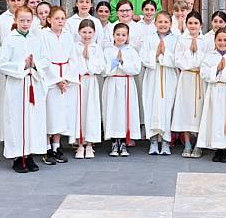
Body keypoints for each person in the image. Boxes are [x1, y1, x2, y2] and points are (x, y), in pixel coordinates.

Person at [0, 6, 50, 173]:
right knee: (17, 120)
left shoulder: (37, 38)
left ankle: (30, 154)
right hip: (17, 85)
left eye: (28, 20)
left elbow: (46, 60)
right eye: (22, 20)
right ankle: (18, 156)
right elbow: (2, 64)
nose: (25, 24)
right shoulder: (9, 39)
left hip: (33, 82)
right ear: (15, 20)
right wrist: (22, 65)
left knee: (33, 120)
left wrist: (35, 64)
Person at [40, 6, 81, 165]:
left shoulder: (68, 36)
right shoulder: (43, 35)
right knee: (50, 113)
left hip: (65, 77)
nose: (60, 22)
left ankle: (57, 146)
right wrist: (56, 79)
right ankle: (47, 147)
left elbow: (73, 58)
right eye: (56, 18)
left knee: (60, 114)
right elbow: (43, 59)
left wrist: (66, 78)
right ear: (49, 20)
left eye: (63, 19)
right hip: (50, 79)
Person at [197, 28, 226, 163]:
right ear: (215, 41)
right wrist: (216, 69)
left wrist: (224, 71)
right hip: (215, 92)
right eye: (219, 40)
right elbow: (204, 73)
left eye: (225, 40)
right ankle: (217, 148)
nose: (222, 43)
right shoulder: (210, 56)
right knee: (215, 119)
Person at [140, 12, 179, 155]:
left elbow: (178, 59)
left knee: (167, 107)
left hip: (169, 77)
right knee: (152, 106)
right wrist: (155, 54)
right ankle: (153, 141)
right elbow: (143, 57)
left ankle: (166, 141)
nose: (163, 24)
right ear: (155, 23)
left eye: (166, 22)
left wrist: (166, 55)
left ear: (170, 23)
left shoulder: (176, 40)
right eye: (160, 22)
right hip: (153, 77)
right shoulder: (149, 39)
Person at [102, 23, 142, 156]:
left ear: (127, 36)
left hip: (126, 83)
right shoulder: (107, 50)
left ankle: (124, 142)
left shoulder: (131, 51)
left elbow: (136, 69)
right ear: (113, 35)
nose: (120, 37)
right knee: (113, 112)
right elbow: (103, 70)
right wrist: (113, 64)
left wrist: (123, 64)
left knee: (125, 112)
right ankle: (114, 142)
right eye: (118, 34)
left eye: (123, 35)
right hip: (112, 83)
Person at [172, 11, 208, 158]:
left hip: (200, 79)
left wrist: (196, 58)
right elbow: (178, 60)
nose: (193, 26)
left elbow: (207, 61)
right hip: (186, 79)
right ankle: (187, 143)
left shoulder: (206, 42)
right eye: (190, 23)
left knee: (200, 110)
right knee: (185, 110)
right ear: (186, 24)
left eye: (196, 23)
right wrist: (191, 58)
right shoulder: (181, 41)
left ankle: (199, 144)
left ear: (201, 25)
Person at [0, 0, 26, 142]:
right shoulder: (1, 20)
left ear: (23, 0)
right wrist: (5, 62)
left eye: (19, 0)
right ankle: (7, 136)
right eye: (13, 0)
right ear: (7, 2)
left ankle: (24, 135)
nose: (16, 3)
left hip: (25, 69)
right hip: (6, 67)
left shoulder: (29, 18)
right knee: (6, 100)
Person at [74, 19, 105, 159]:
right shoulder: (75, 47)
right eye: (84, 32)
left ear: (94, 33)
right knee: (79, 112)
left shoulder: (97, 48)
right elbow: (73, 64)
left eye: (90, 32)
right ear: (79, 32)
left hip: (91, 82)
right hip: (79, 82)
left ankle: (90, 144)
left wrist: (90, 63)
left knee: (91, 111)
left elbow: (100, 66)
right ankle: (80, 143)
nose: (87, 35)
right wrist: (82, 66)